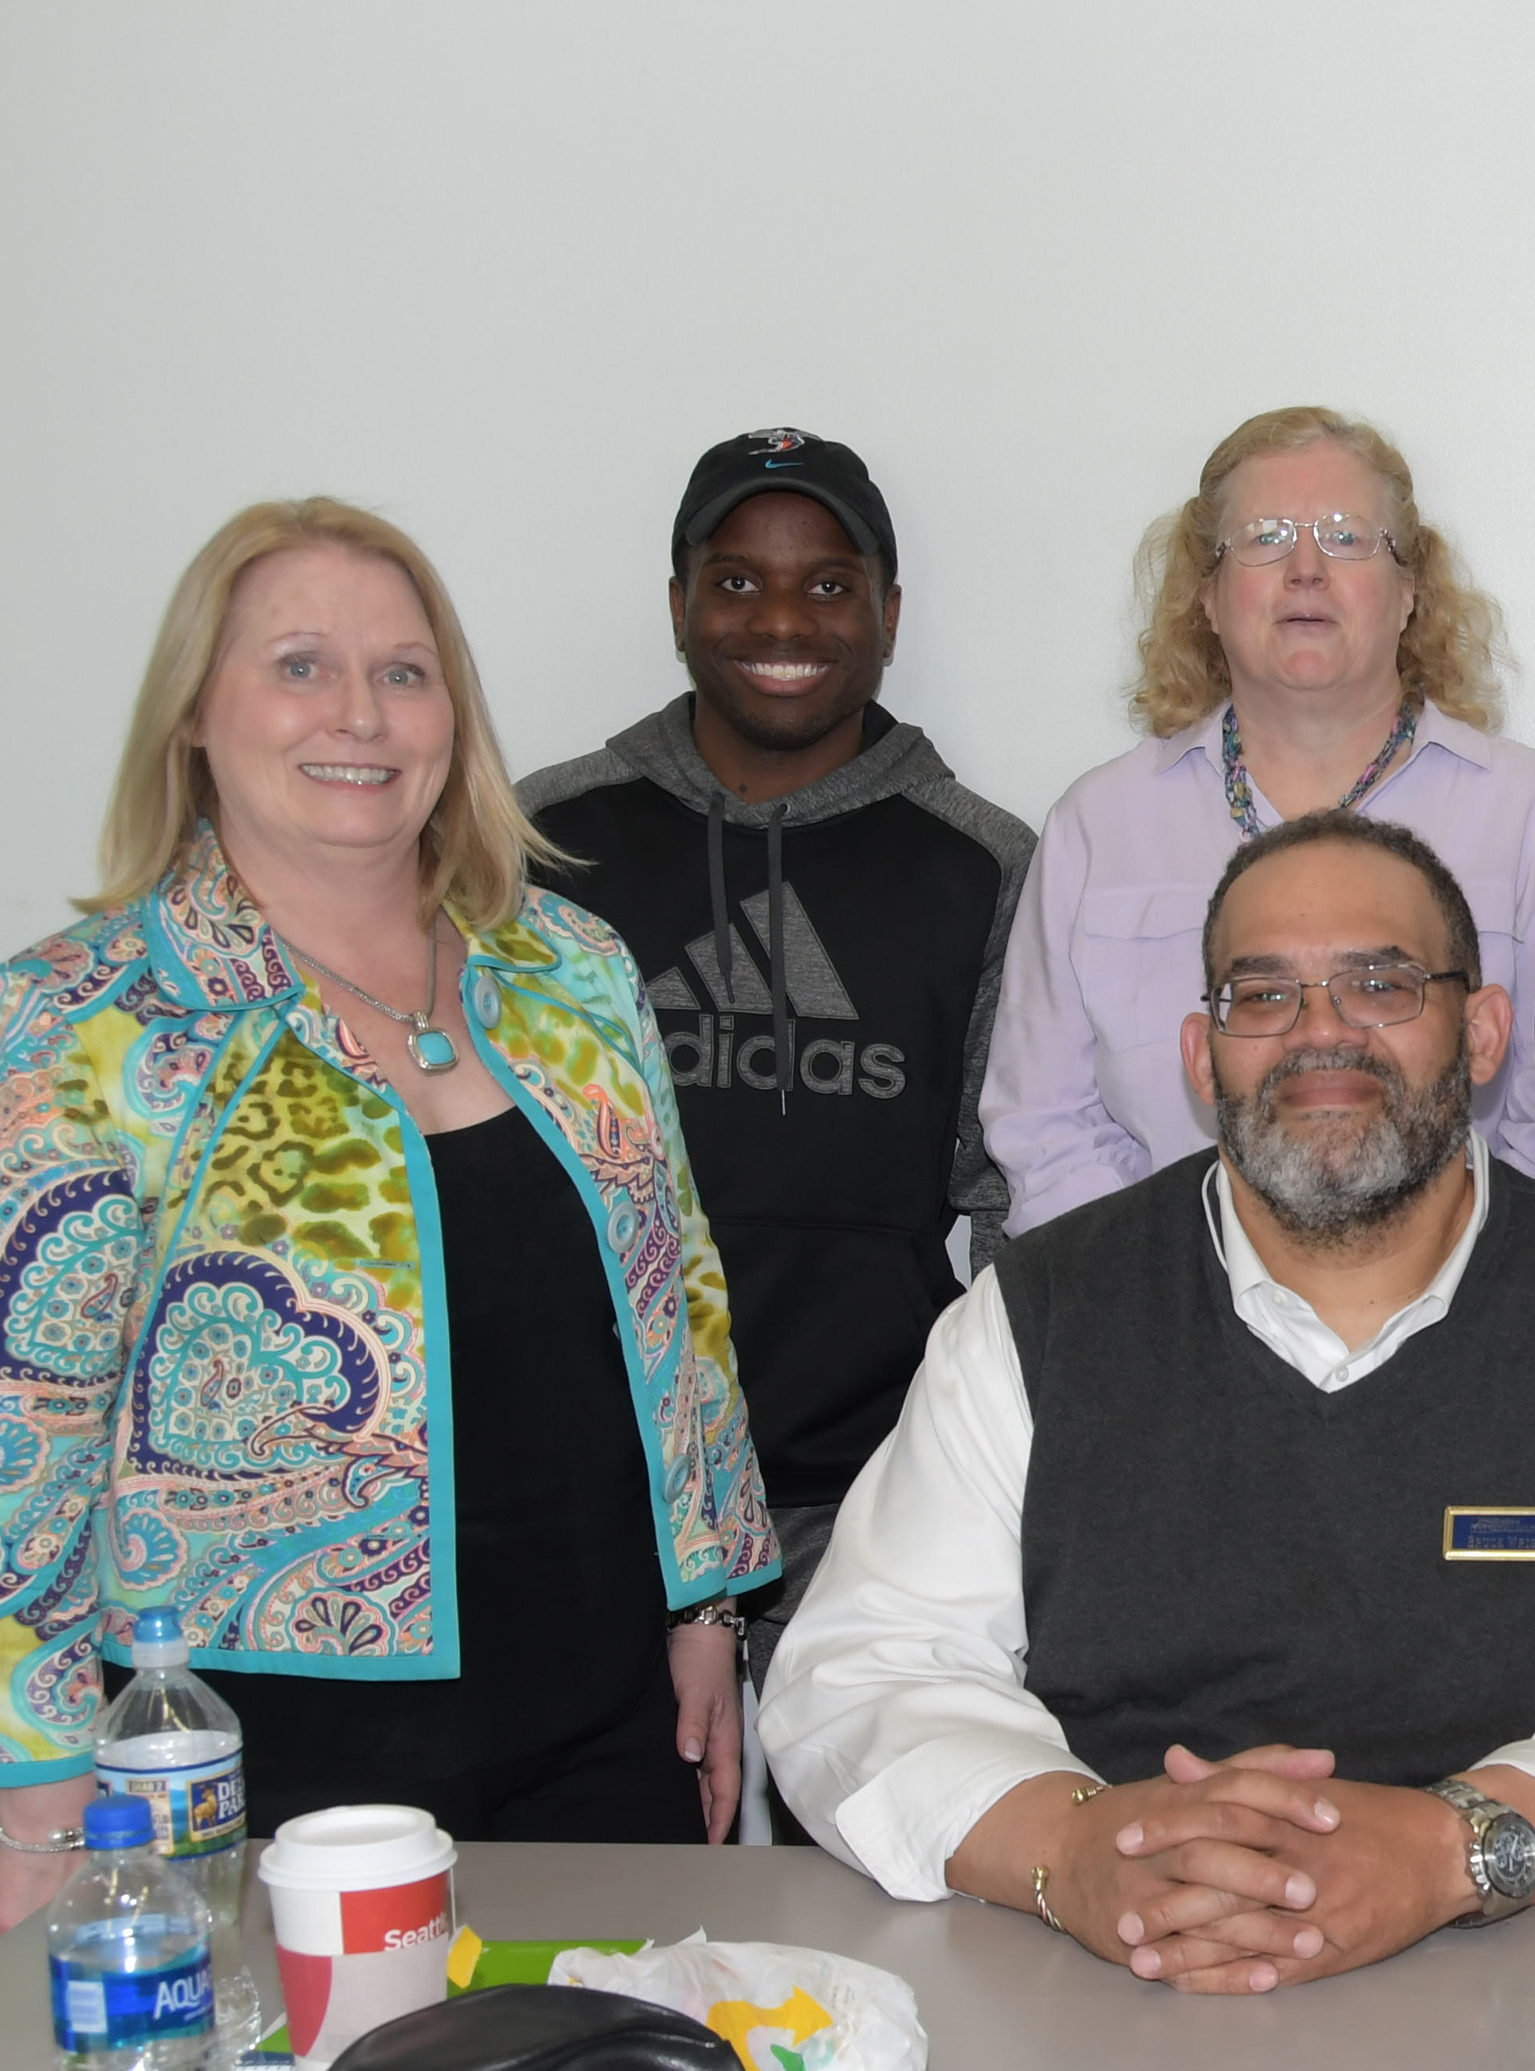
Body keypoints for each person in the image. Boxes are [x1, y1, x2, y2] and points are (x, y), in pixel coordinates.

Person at [760, 813, 1535, 1994]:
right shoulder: (1038, 1316)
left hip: (1534, 1977)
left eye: (1379, 982)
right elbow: (859, 1673)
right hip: (1103, 1980)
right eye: (1260, 994)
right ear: (1198, 1053)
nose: (1320, 1032)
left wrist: (1449, 1849)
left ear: (1480, 1034)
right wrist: (1077, 1849)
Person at [0, 501, 780, 1946]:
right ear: (196, 714)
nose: (360, 713)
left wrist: (707, 1604)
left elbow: (680, 1295)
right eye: (299, 665)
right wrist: (37, 1798)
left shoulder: (571, 970)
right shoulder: (83, 1016)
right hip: (262, 1764)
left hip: (605, 1725)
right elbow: (2, 1432)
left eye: (405, 671)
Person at [519, 429, 1034, 1745]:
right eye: (736, 580)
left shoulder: (981, 861)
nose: (783, 617)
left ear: (888, 612)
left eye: (829, 581)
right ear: (680, 603)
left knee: (881, 1873)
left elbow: (1010, 1194)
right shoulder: (543, 842)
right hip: (606, 1481)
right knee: (602, 1884)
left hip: (870, 1488)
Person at [983, 407, 1535, 1227]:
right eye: (1265, 536)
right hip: (1162, 1319)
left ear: (1410, 588)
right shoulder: (1098, 825)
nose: (1306, 568)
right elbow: (1042, 1124)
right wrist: (1159, 1298)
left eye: (1347, 538)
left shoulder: (1533, 815)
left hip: (1464, 1310)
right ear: (1207, 592)